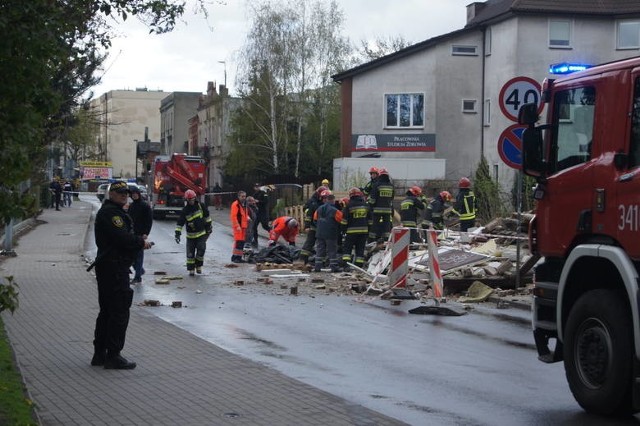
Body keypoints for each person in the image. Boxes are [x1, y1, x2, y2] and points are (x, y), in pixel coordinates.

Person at [92, 181, 152, 370]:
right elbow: (121, 238)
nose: (124, 195)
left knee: (107, 312)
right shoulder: (111, 213)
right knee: (118, 312)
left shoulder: (114, 211)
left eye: (125, 193)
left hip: (111, 267)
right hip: (114, 268)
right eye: (120, 193)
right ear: (111, 194)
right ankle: (113, 355)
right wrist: (140, 242)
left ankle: (100, 354)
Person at [175, 189, 213, 275]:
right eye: (189, 200)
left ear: (195, 198)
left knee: (201, 250)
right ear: (186, 200)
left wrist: (209, 227)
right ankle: (191, 269)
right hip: (190, 236)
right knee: (190, 254)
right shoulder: (185, 210)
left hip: (201, 234)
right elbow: (180, 222)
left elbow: (207, 217)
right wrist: (177, 234)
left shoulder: (201, 206)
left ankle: (198, 266)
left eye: (192, 199)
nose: (190, 201)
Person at [340, 187, 370, 271]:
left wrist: (343, 230)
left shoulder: (349, 206)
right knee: (360, 249)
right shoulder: (366, 205)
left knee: (347, 248)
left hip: (351, 232)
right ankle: (358, 266)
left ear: (350, 195)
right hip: (363, 231)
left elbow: (344, 221)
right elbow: (370, 220)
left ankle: (346, 266)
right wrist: (368, 230)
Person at [313, 191, 343, 272]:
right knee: (332, 250)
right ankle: (334, 267)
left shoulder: (319, 209)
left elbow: (315, 219)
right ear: (333, 200)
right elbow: (341, 220)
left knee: (319, 250)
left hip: (319, 233)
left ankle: (317, 266)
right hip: (331, 233)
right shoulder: (335, 210)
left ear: (326, 200)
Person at [128, 186, 153, 284]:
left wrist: (146, 233)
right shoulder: (131, 206)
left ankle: (138, 277)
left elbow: (149, 221)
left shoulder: (145, 206)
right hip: (132, 235)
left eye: (135, 194)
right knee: (131, 257)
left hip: (140, 234)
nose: (134, 196)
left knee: (138, 257)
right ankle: (140, 271)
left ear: (138, 194)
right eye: (132, 194)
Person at [298, 185, 328, 265]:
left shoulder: (322, 203)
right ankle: (302, 260)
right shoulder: (313, 203)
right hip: (313, 227)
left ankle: (322, 262)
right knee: (309, 243)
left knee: (322, 245)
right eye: (324, 197)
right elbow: (309, 215)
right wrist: (307, 226)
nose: (325, 199)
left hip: (322, 228)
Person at [367, 167, 394, 243]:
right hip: (388, 210)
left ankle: (371, 240)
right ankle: (386, 241)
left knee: (374, 225)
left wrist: (371, 206)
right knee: (387, 226)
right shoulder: (391, 186)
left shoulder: (377, 185)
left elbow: (373, 199)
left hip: (377, 210)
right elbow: (392, 198)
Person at [230, 190, 249, 263]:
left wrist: (247, 218)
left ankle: (237, 257)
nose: (244, 198)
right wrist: (237, 225)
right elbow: (233, 216)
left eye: (245, 196)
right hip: (238, 226)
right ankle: (236, 257)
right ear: (239, 196)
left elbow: (244, 214)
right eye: (242, 196)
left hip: (243, 226)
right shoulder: (236, 204)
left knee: (241, 242)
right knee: (239, 242)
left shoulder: (244, 204)